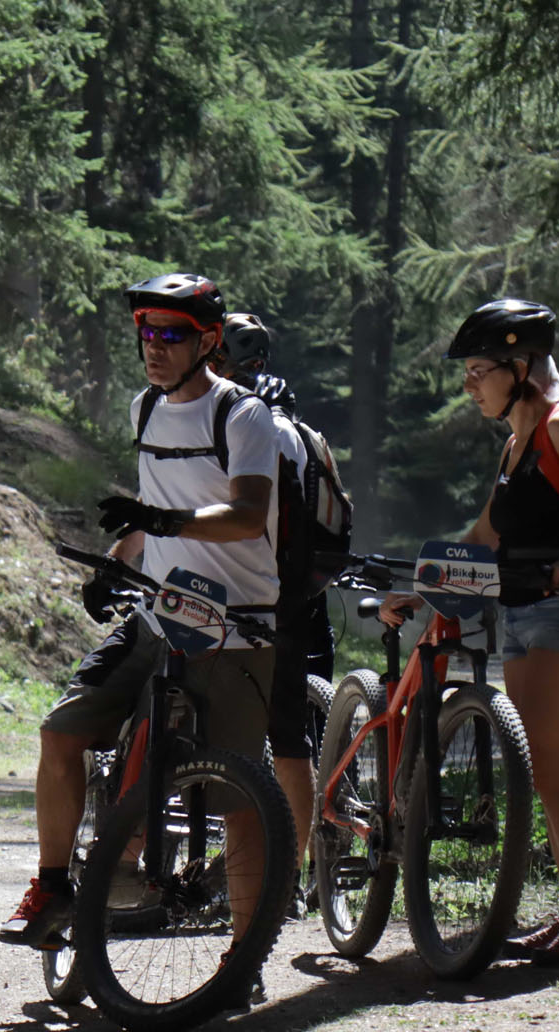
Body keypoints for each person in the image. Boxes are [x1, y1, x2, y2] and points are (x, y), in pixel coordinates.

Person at [0, 273, 281, 961]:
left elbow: (248, 515)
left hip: (234, 626)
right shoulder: (146, 407)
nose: (155, 346)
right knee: (61, 732)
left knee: (239, 793)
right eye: (146, 332)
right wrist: (115, 560)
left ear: (207, 342)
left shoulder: (242, 416)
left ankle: (245, 954)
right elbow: (155, 508)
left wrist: (166, 521)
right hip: (160, 614)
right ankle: (53, 886)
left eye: (172, 334)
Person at [381, 299, 559, 964]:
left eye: (479, 371)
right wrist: (422, 588)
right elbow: (483, 536)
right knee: (545, 771)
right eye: (468, 373)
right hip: (522, 613)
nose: (469, 384)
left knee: (553, 770)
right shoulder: (514, 447)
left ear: (521, 368)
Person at [212, 311, 335, 881]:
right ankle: (286, 876)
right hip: (296, 594)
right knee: (287, 739)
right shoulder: (289, 425)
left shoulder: (252, 424)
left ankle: (281, 876)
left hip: (257, 595)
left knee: (276, 739)